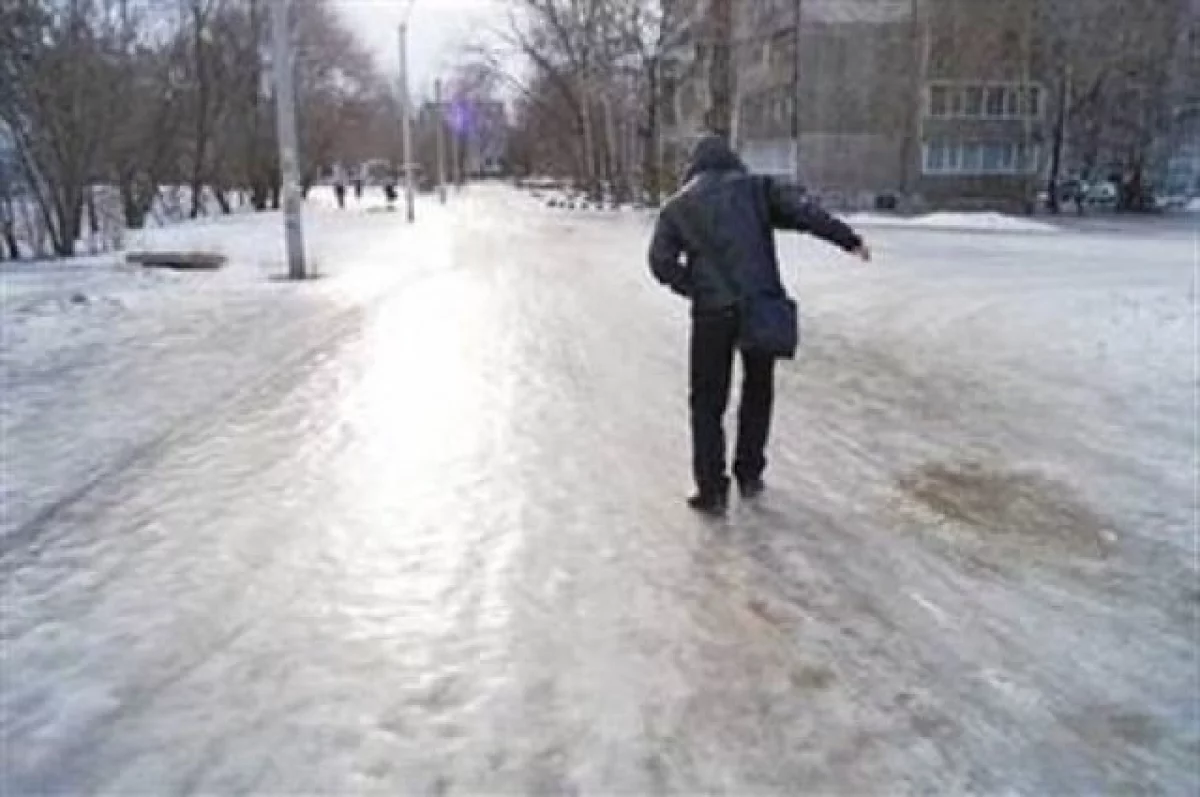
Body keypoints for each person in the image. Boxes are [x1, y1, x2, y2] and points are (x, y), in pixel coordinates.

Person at [648, 135, 870, 515]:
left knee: (707, 401)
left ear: (693, 166)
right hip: (759, 308)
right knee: (758, 391)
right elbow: (805, 213)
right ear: (731, 160)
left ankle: (711, 490)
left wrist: (697, 289)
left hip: (712, 315)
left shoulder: (678, 207)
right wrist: (848, 240)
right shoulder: (756, 190)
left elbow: (660, 262)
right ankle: (749, 474)